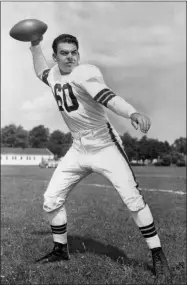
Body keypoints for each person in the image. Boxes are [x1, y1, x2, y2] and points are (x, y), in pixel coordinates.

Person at [30, 34, 171, 284]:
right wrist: (34, 45)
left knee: (133, 200)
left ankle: (158, 255)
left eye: (74, 52)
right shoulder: (53, 74)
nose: (70, 56)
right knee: (51, 199)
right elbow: (41, 70)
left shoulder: (84, 73)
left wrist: (132, 113)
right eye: (64, 53)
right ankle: (61, 250)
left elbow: (108, 97)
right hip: (78, 146)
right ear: (55, 57)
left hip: (104, 144)